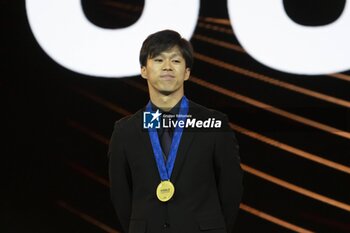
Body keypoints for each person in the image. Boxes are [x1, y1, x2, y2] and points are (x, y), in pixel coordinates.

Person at [108, 29, 243, 233]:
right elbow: (120, 194)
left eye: (176, 61)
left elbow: (231, 188)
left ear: (187, 73)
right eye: (159, 60)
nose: (168, 67)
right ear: (144, 70)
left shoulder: (214, 124)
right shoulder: (125, 131)